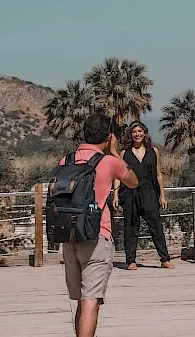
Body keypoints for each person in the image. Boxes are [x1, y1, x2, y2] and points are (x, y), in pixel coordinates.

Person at [58, 113, 138, 337]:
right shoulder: (108, 162)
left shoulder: (66, 161)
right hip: (96, 236)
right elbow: (133, 181)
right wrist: (113, 151)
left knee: (82, 303)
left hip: (69, 236)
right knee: (91, 301)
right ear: (108, 136)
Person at [112, 121, 173, 270]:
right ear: (131, 135)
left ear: (144, 133)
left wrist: (162, 195)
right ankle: (131, 261)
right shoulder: (124, 153)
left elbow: (158, 174)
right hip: (129, 192)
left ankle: (164, 259)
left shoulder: (154, 151)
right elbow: (118, 176)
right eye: (134, 132)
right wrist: (115, 195)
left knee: (156, 226)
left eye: (139, 131)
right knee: (131, 227)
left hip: (149, 191)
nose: (137, 134)